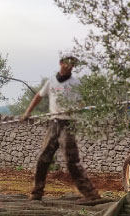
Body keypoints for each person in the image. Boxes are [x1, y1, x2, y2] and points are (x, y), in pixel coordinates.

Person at [20, 56, 100, 203]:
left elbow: (82, 103)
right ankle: (37, 193)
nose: (69, 67)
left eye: (72, 65)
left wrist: (76, 108)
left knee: (71, 160)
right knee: (43, 158)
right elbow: (38, 96)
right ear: (61, 64)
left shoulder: (76, 84)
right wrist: (27, 112)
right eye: (67, 64)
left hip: (68, 124)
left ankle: (91, 195)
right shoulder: (51, 81)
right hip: (54, 123)